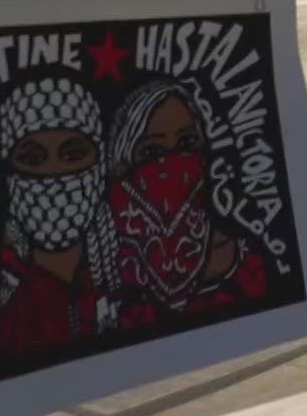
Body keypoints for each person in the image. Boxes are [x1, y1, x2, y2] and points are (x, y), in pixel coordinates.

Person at [0, 79, 119, 368]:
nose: (55, 173)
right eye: (32, 158)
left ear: (99, 163)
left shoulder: (121, 265)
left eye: (73, 155)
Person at [105, 76, 270, 327]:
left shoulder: (243, 259)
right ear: (123, 163)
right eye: (152, 152)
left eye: (187, 143)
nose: (173, 162)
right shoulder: (103, 266)